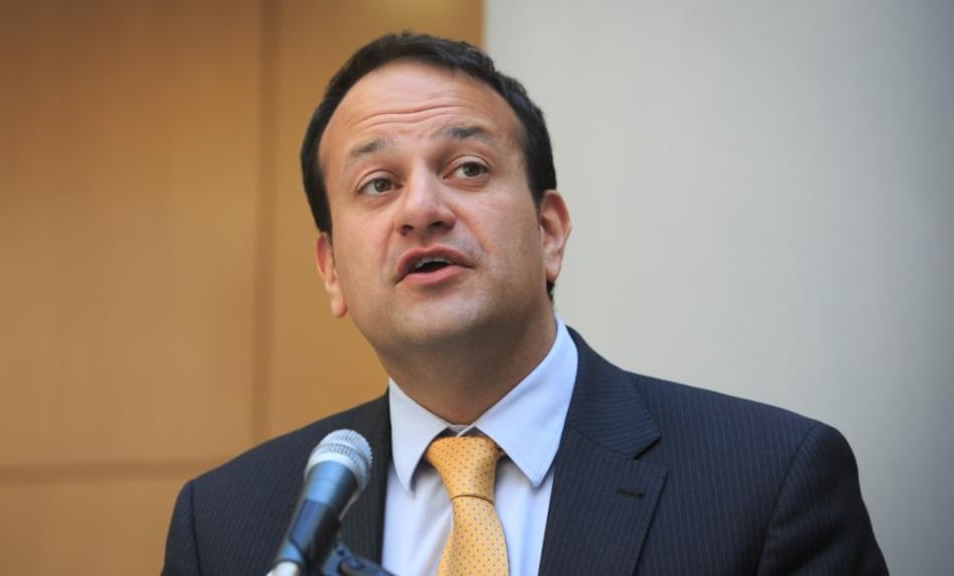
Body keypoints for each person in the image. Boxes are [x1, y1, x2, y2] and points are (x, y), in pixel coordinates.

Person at [162, 32, 887, 575]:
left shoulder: (767, 482)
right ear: (331, 272)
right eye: (378, 184)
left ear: (549, 233)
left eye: (467, 168)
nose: (421, 208)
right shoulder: (227, 525)